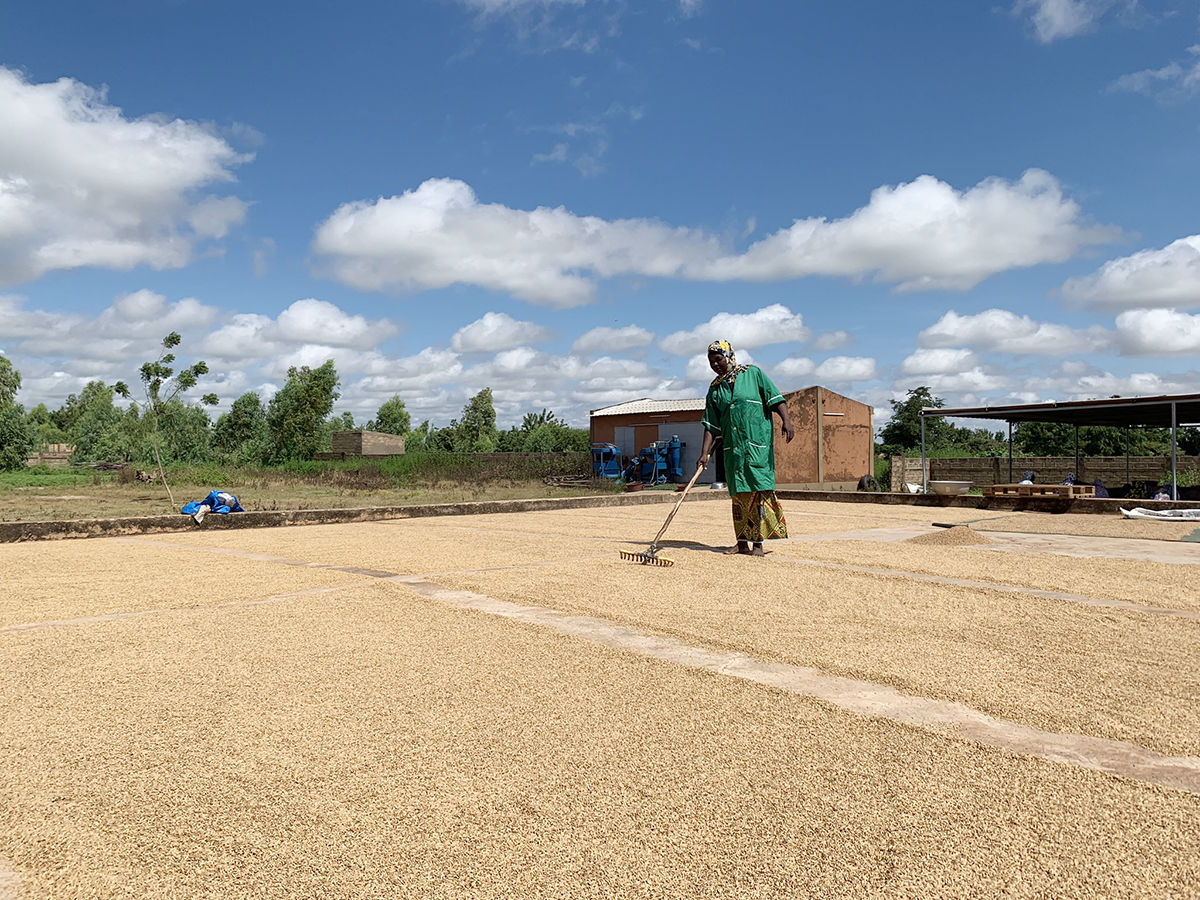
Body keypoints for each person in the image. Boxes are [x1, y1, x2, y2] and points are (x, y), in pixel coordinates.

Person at [696, 340, 795, 556]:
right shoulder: (715, 389)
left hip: (756, 445)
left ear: (729, 356)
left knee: (759, 491)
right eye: (711, 362)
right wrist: (704, 453)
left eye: (718, 359)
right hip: (733, 450)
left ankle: (758, 544)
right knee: (739, 494)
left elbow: (775, 398)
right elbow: (711, 425)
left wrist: (786, 420)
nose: (715, 365)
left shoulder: (753, 374)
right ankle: (741, 543)